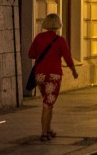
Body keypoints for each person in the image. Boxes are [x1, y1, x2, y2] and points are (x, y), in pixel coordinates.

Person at [28, 13, 78, 141]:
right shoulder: (60, 40)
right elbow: (67, 58)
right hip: (53, 76)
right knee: (47, 103)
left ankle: (48, 129)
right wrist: (73, 71)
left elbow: (31, 54)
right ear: (57, 25)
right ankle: (44, 133)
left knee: (48, 102)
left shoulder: (39, 37)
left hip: (39, 75)